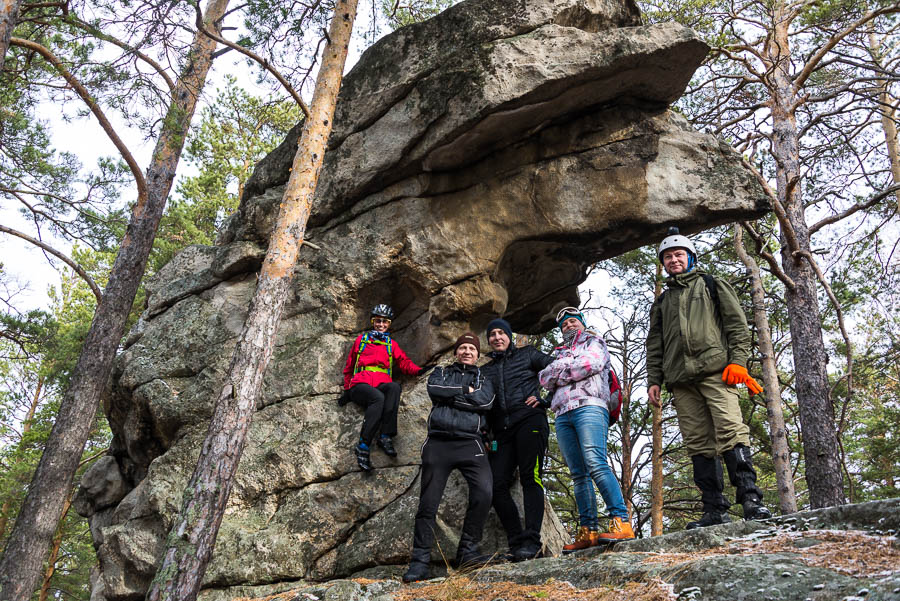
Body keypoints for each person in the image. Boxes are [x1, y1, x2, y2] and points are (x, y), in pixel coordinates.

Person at [646, 227, 772, 528]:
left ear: (690, 257)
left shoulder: (711, 284)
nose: (673, 260)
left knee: (731, 431)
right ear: (663, 263)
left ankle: (751, 501)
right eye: (668, 257)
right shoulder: (662, 302)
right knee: (698, 444)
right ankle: (714, 510)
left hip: (717, 374)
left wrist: (739, 362)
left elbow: (737, 327)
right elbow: (655, 344)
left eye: (679, 255)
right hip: (680, 381)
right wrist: (654, 380)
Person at [402, 333, 496, 583]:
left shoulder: (485, 377)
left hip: (471, 442)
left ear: (477, 354)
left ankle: (467, 551)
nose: (466, 351)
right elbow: (434, 389)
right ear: (456, 352)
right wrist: (466, 392)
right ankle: (420, 561)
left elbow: (485, 402)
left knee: (485, 492)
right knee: (428, 504)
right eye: (462, 348)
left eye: (471, 349)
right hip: (438, 442)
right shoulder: (440, 373)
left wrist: (453, 397)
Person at [539, 307, 634, 549]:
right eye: (565, 325)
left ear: (581, 324)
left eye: (573, 322)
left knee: (596, 463)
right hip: (562, 413)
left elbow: (590, 364)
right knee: (578, 474)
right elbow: (544, 378)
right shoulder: (557, 352)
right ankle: (588, 531)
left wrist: (560, 372)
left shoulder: (594, 341)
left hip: (590, 406)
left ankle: (621, 522)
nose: (569, 326)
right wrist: (566, 369)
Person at [481, 318, 553, 561]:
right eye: (493, 334)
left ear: (510, 336)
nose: (497, 337)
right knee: (495, 485)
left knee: (530, 477)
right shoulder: (486, 370)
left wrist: (546, 400)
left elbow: (559, 369)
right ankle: (516, 542)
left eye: (502, 332)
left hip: (530, 421)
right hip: (501, 432)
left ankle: (532, 542)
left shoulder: (528, 354)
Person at [341, 303, 422, 472]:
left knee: (393, 388)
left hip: (381, 381)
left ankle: (385, 436)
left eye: (385, 322)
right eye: (378, 321)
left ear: (389, 324)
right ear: (373, 322)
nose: (381, 325)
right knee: (377, 398)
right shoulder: (362, 340)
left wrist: (420, 370)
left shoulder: (391, 344)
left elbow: (404, 362)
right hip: (360, 383)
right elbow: (349, 366)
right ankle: (363, 445)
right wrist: (347, 389)